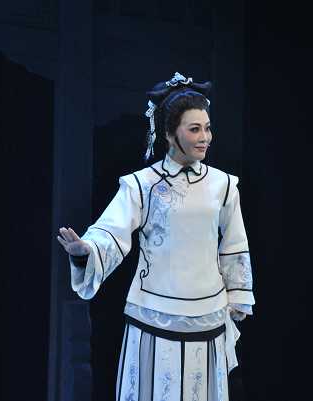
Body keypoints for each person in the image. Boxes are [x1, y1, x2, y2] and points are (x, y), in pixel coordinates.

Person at [57, 72, 255, 401]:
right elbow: (112, 231)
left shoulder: (223, 185)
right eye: (194, 129)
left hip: (208, 313)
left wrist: (237, 296)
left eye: (207, 128)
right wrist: (86, 250)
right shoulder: (141, 184)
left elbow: (235, 244)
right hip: (153, 313)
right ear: (169, 133)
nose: (205, 137)